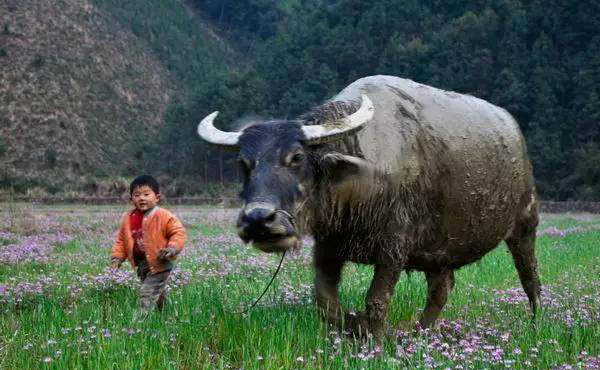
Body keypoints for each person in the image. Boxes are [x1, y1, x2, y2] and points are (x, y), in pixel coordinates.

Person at [110, 175, 186, 313]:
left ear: (157, 197)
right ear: (131, 199)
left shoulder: (163, 215)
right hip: (142, 265)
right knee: (157, 294)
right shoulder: (128, 218)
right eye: (137, 195)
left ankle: (141, 323)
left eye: (146, 194)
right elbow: (122, 240)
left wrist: (172, 248)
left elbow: (178, 232)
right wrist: (117, 257)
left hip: (160, 263)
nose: (142, 198)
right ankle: (163, 315)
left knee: (147, 293)